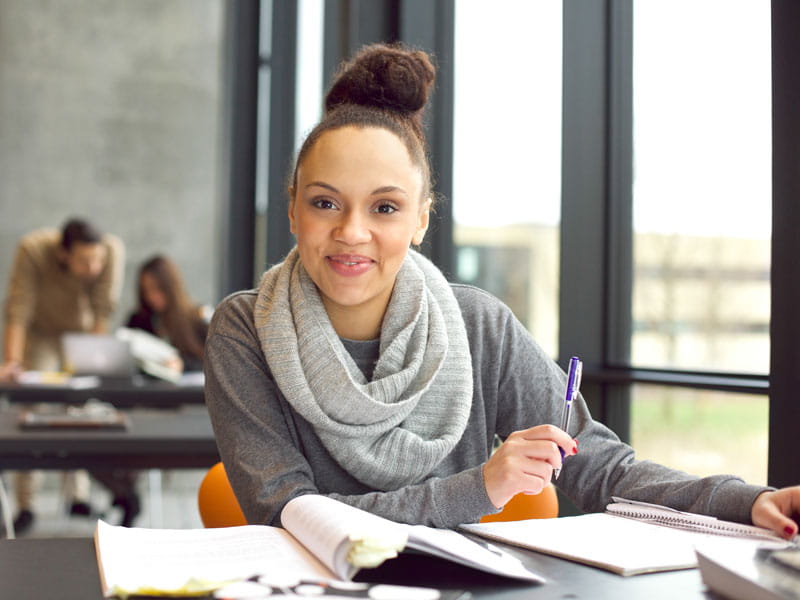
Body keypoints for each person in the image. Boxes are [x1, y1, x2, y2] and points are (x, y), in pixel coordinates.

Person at [204, 43, 800, 538]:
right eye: (325, 202)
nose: (351, 232)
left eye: (385, 206)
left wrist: (742, 501)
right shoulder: (245, 328)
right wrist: (480, 487)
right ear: (292, 210)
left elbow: (596, 467)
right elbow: (290, 518)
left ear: (420, 221)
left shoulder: (477, 324)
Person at [1, 218, 124, 534]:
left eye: (97, 259)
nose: (93, 267)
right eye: (84, 261)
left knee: (81, 406)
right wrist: (12, 362)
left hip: (81, 334)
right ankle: (26, 503)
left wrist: (92, 362)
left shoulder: (111, 252)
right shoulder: (32, 250)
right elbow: (19, 308)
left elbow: (102, 310)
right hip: (41, 334)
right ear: (62, 254)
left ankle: (77, 496)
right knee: (34, 409)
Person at [126, 254, 210, 373]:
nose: (151, 296)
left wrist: (182, 365)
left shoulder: (197, 318)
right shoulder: (138, 320)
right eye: (145, 290)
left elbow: (213, 363)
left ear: (170, 287)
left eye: (156, 288)